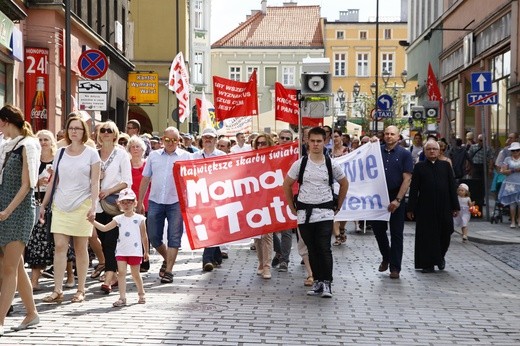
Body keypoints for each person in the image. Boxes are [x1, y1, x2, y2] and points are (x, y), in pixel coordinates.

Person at [40, 115, 100, 304]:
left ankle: (81, 289)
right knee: (59, 246)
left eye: (78, 128)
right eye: (71, 128)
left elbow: (95, 183)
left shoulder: (91, 153)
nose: (74, 131)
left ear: (84, 132)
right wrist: (43, 205)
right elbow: (53, 181)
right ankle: (57, 289)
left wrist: (93, 207)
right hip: (60, 204)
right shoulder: (61, 153)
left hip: (82, 204)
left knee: (81, 248)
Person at [283, 127, 348, 298]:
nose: (315, 144)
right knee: (311, 248)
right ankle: (318, 281)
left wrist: (338, 205)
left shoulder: (330, 164)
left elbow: (344, 183)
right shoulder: (300, 163)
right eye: (312, 141)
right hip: (305, 213)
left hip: (325, 212)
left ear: (325, 142)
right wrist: (291, 206)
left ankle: (327, 282)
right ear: (307, 142)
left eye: (319, 141)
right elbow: (287, 184)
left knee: (323, 247)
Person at [0, 105, 41, 334]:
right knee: (13, 267)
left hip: (19, 211)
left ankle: (0, 321)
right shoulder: (5, 144)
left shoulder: (28, 145)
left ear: (5, 121)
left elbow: (27, 185)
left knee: (8, 269)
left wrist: (7, 211)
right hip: (2, 208)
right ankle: (32, 313)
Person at [138, 127, 190, 283]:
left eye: (174, 140)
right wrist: (140, 201)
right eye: (167, 139)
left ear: (179, 141)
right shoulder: (153, 156)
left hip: (176, 202)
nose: (170, 143)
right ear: (162, 140)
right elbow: (145, 179)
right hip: (155, 201)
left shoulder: (186, 156)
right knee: (154, 237)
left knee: (174, 237)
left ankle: (169, 271)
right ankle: (168, 258)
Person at [407, 140, 460, 273]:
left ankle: (440, 257)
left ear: (439, 151)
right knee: (426, 235)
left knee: (446, 231)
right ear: (425, 152)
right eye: (429, 149)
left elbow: (452, 186)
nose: (432, 151)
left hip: (444, 205)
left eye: (434, 149)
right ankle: (427, 263)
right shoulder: (419, 167)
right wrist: (411, 208)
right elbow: (414, 189)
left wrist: (455, 206)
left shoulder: (445, 166)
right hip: (426, 206)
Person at [91, 188, 148, 307]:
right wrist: (93, 222)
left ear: (134, 203)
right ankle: (122, 297)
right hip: (121, 250)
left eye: (129, 202)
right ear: (119, 204)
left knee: (135, 274)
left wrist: (146, 251)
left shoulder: (139, 219)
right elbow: (105, 228)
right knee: (121, 273)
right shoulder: (118, 219)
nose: (126, 205)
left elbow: (144, 236)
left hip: (135, 251)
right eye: (123, 202)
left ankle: (141, 293)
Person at [370, 126, 413, 279]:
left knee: (396, 233)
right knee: (378, 230)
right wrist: (369, 143)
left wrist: (398, 200)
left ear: (398, 136)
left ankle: (395, 268)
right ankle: (386, 256)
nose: (389, 136)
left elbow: (407, 178)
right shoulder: (376, 150)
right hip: (377, 196)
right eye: (386, 134)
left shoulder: (405, 154)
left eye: (392, 134)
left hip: (396, 195)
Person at [95, 121, 132, 294]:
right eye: (103, 130)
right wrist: (97, 177)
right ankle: (115, 274)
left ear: (115, 134)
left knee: (110, 240)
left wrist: (109, 190)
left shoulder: (121, 154)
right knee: (103, 240)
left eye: (110, 130)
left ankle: (109, 277)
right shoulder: (94, 154)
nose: (106, 133)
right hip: (97, 204)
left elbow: (127, 181)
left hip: (114, 204)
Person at [25, 130, 60, 291]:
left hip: (56, 201)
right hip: (37, 200)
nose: (43, 142)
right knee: (37, 241)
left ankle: (68, 275)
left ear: (52, 142)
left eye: (46, 139)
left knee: (58, 241)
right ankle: (34, 279)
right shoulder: (33, 160)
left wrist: (56, 177)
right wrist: (37, 181)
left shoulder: (57, 159)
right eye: (40, 139)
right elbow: (25, 181)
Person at [191, 128, 227, 272]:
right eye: (205, 137)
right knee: (208, 226)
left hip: (217, 196)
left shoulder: (222, 156)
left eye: (210, 138)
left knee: (213, 226)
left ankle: (206, 259)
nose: (208, 140)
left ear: (215, 140)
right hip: (200, 196)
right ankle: (216, 255)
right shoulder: (194, 157)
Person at [250, 133, 275, 279]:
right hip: (254, 201)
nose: (260, 146)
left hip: (269, 201)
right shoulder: (252, 160)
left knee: (267, 234)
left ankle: (267, 266)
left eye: (263, 143)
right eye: (258, 143)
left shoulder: (275, 160)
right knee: (257, 236)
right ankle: (261, 262)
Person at [272, 130, 294, 272]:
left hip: (289, 195)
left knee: (286, 230)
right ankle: (279, 251)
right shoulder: (271, 154)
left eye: (288, 138)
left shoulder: (296, 154)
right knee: (270, 229)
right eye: (282, 138)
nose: (285, 140)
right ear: (278, 139)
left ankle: (284, 260)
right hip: (272, 196)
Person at [127, 135, 150, 272]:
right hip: (128, 202)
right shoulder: (126, 163)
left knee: (143, 231)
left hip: (145, 200)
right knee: (131, 231)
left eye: (138, 147)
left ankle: (145, 259)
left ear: (143, 149)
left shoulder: (147, 164)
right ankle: (134, 258)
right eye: (133, 146)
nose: (135, 149)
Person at [330, 129, 349, 246]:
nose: (335, 139)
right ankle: (337, 235)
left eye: (337, 136)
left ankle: (342, 228)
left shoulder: (348, 151)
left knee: (344, 211)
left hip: (344, 183)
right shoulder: (329, 152)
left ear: (341, 137)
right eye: (333, 137)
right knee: (334, 211)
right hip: (333, 184)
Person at [498, 142, 520, 228]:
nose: (515, 152)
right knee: (512, 203)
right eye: (513, 150)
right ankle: (513, 221)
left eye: (517, 150)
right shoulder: (507, 159)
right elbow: (503, 171)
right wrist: (514, 170)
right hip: (511, 183)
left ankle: (519, 220)